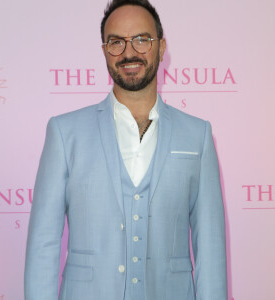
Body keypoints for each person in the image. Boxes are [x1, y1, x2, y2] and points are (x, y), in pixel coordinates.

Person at [24, 0, 227, 299]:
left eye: (142, 40)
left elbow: (210, 248)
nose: (129, 52)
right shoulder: (65, 133)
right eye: (116, 42)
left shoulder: (198, 135)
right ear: (105, 50)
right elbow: (43, 244)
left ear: (161, 47)